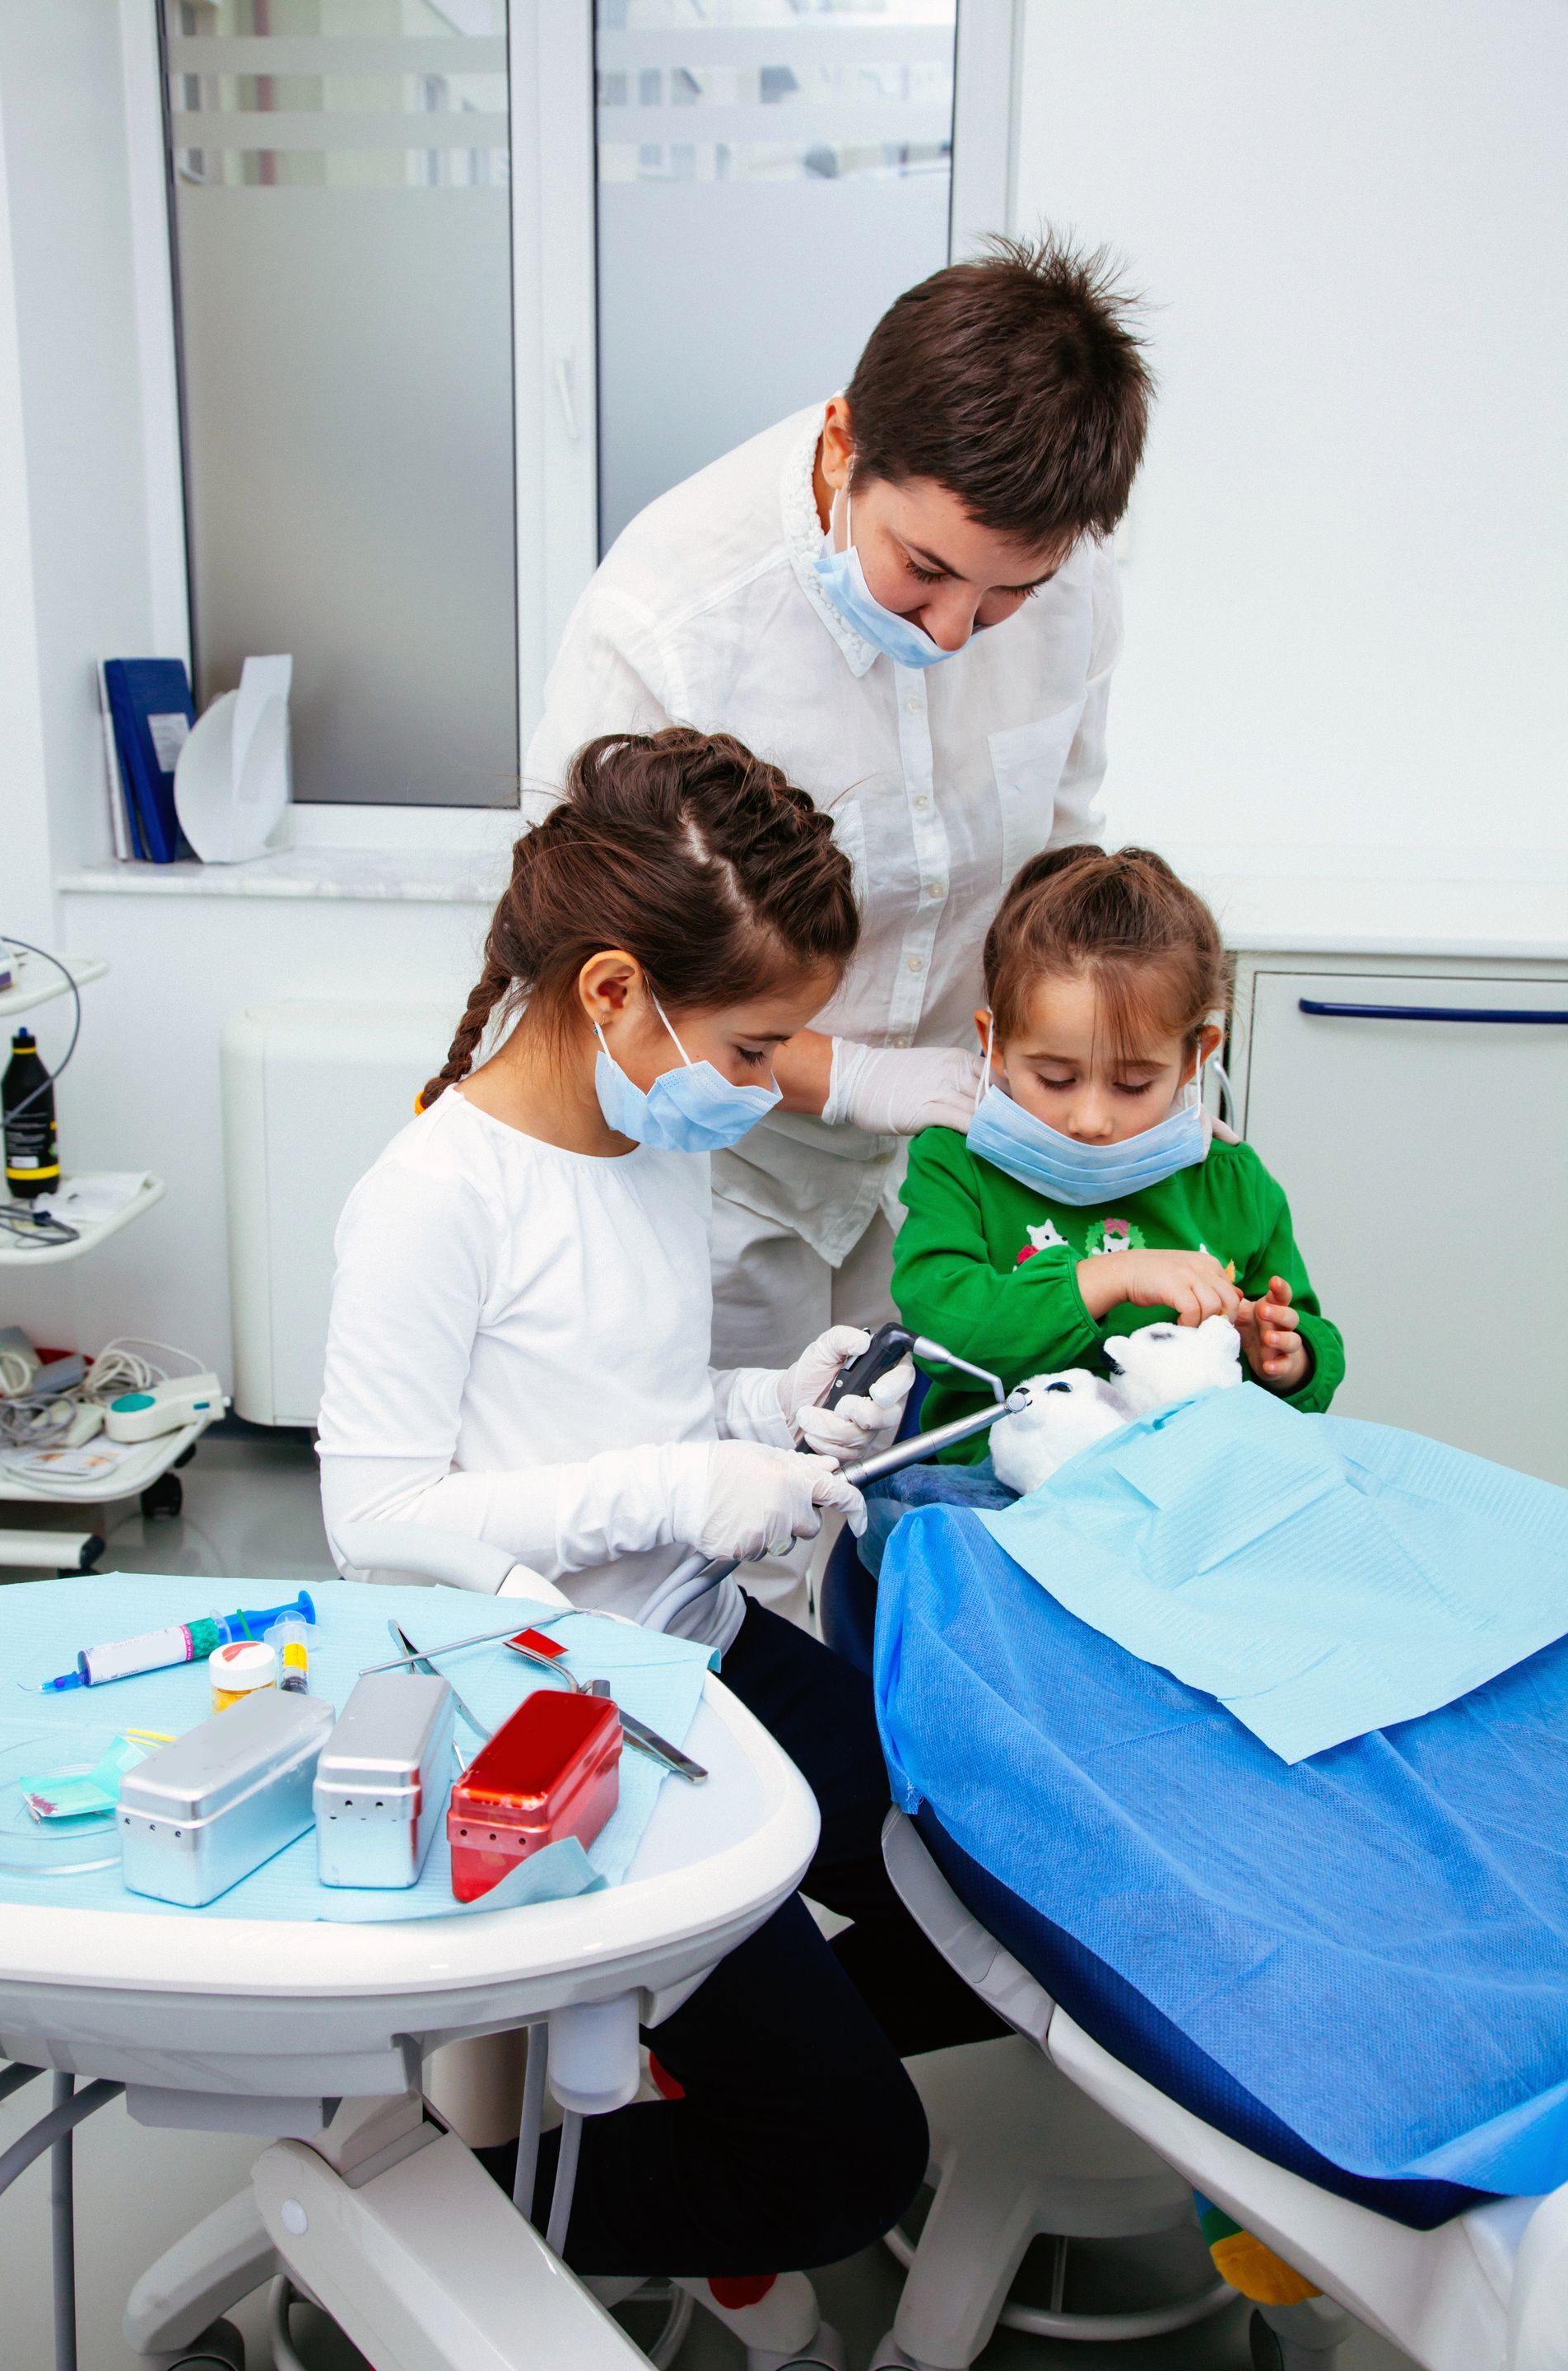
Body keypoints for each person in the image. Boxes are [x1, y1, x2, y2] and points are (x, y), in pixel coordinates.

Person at [317, 728, 999, 2365]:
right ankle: (433, 2203)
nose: (770, 1085)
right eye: (757, 1046)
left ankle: (714, 2072)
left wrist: (765, 1409)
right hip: (552, 1716)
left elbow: (606, 1400)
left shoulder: (647, 1148)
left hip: (687, 1654)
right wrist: (675, 1490)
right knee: (846, 2164)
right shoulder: (435, 1196)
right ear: (617, 990)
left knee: (994, 1882)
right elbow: (379, 1521)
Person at [526, 237, 1154, 1448]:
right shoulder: (672, 614)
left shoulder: (1076, 589)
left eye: (1005, 595)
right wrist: (853, 1076)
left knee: (906, 1496)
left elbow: (1058, 863)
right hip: (711, 1166)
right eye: (923, 572)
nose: (961, 627)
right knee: (712, 1526)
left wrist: (1128, 1063)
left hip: (943, 1172)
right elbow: (586, 961)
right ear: (841, 444)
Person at [892, 845, 1344, 1451]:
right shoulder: (958, 1165)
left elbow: (1312, 1335)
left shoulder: (1233, 1184)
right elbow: (946, 1330)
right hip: (1001, 1500)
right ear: (994, 1044)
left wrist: (1287, 1359)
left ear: (1195, 1056)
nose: (1091, 1119)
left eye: (1133, 1085)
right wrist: (1112, 1276)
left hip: (1183, 1490)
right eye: (1055, 1079)